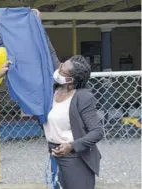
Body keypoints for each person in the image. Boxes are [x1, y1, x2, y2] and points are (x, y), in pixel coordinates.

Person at [43, 55, 104, 189]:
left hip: (76, 159)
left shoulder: (82, 97)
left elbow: (97, 132)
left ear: (71, 79)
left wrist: (72, 146)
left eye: (62, 70)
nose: (58, 69)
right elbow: (49, 53)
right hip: (55, 156)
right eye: (61, 65)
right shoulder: (54, 91)